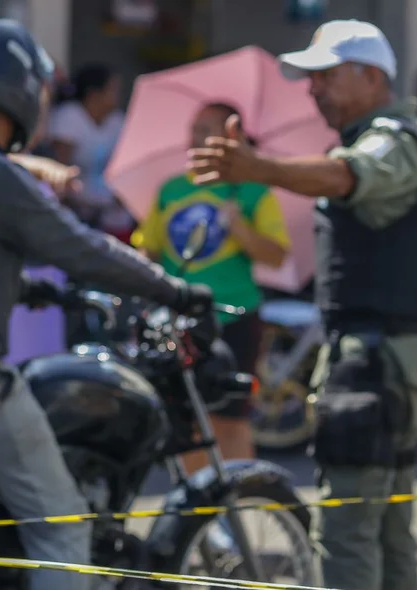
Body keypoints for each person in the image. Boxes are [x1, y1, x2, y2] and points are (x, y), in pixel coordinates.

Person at [0, 19, 213, 590]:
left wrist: (32, 289)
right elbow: (83, 249)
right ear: (20, 90)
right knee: (61, 527)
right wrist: (174, 289)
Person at [189, 20, 417, 590]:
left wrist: (259, 169)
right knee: (386, 528)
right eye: (311, 78)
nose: (314, 89)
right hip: (400, 360)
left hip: (377, 362)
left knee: (348, 531)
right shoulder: (412, 138)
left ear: (371, 76)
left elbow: (347, 177)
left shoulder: (390, 141)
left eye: (327, 76)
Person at [132, 102, 291, 473]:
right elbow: (149, 250)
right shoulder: (172, 190)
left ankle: (239, 501)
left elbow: (277, 256)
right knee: (188, 421)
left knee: (231, 418)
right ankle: (200, 509)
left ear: (231, 137)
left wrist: (239, 229)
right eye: (194, 129)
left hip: (234, 316)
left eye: (207, 130)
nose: (196, 138)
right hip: (181, 320)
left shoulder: (252, 193)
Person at [46, 63, 133, 241]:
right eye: (112, 90)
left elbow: (126, 164)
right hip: (75, 210)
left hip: (109, 211)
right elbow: (60, 170)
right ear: (94, 94)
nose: (117, 96)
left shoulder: (118, 121)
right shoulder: (69, 117)